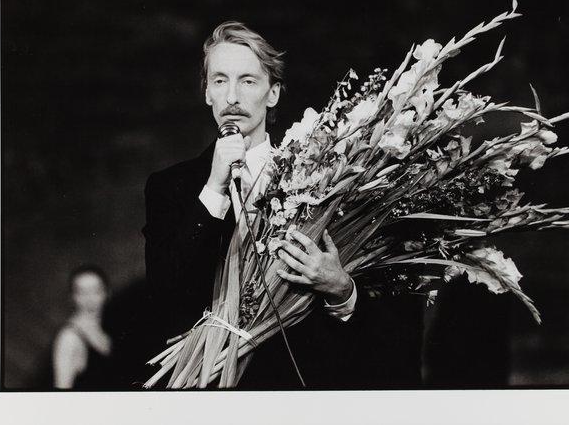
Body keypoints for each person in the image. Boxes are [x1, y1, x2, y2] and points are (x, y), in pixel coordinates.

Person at [143, 21, 423, 389]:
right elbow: (165, 293)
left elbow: (392, 331)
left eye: (248, 81)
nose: (232, 98)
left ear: (272, 94)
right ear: (207, 93)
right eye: (219, 81)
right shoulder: (171, 187)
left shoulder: (325, 179)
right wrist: (214, 187)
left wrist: (340, 288)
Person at [52, 264, 115, 390]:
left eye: (96, 291)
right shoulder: (69, 338)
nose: (89, 299)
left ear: (107, 293)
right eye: (82, 292)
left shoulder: (105, 330)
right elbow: (61, 392)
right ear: (72, 296)